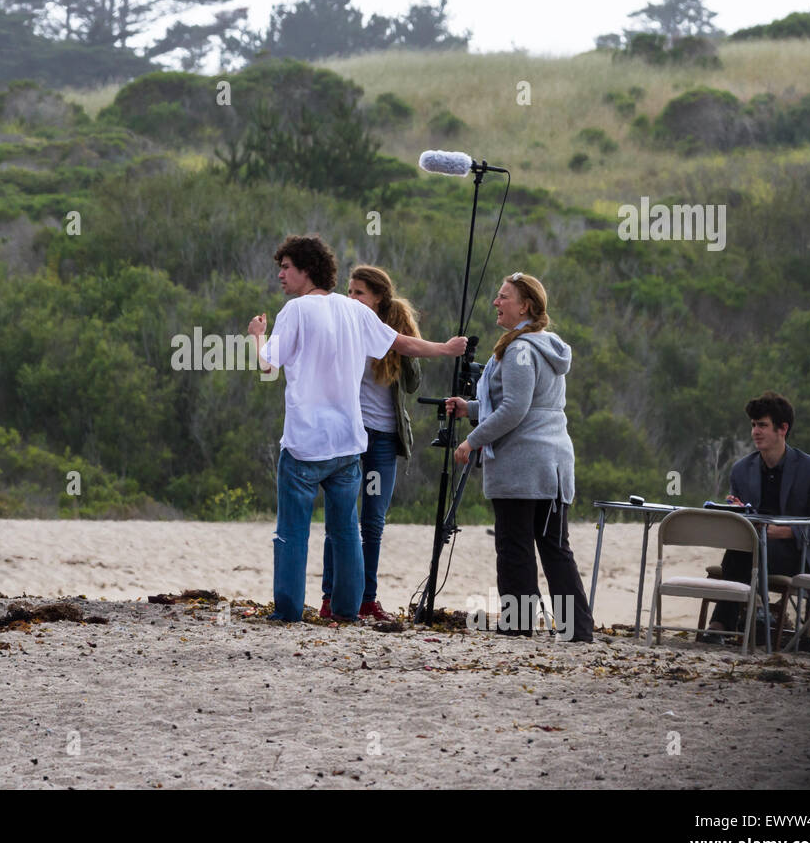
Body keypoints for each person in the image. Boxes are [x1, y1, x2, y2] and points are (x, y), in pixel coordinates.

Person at [249, 235, 468, 623]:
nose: (280, 275)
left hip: (304, 443)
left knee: (293, 533)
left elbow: (268, 367)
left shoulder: (295, 311)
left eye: (286, 267)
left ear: (306, 270)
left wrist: (256, 335)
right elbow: (402, 343)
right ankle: (348, 611)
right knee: (347, 530)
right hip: (348, 443)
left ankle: (287, 611)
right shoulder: (355, 312)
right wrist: (446, 349)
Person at [445, 272, 592, 642]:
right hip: (554, 465)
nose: (496, 303)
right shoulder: (545, 344)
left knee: (514, 545)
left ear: (524, 305)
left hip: (523, 465)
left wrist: (472, 441)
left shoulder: (519, 349)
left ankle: (518, 623)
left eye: (503, 297)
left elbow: (514, 409)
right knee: (555, 546)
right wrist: (472, 408)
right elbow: (525, 404)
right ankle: (578, 630)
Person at [317, 265, 423, 622]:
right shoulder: (343, 329)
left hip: (383, 438)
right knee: (339, 517)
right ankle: (331, 598)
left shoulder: (392, 330)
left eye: (359, 292)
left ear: (378, 298)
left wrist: (401, 338)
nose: (352, 299)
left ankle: (367, 599)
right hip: (351, 437)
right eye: (349, 292)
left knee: (372, 522)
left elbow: (412, 384)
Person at [705, 391, 810, 639]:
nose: (755, 431)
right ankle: (751, 616)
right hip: (751, 547)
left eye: (763, 425)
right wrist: (736, 511)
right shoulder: (741, 469)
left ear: (782, 429)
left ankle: (724, 623)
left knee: (744, 552)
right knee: (745, 548)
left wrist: (783, 531)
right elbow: (741, 518)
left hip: (793, 554)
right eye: (754, 425)